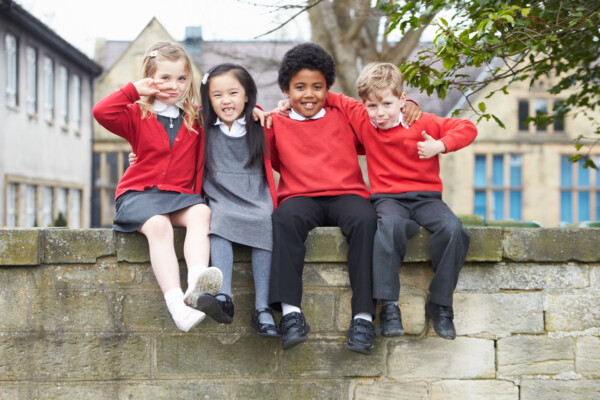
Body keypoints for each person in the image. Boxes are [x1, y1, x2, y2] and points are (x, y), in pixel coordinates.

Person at [266, 43, 421, 355]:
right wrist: (264, 112)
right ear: (286, 90)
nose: (308, 94)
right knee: (283, 218)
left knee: (366, 220)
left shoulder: (345, 115)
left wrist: (410, 104)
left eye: (317, 87)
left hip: (346, 194)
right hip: (300, 196)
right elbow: (271, 160)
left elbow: (383, 116)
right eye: (299, 87)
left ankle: (363, 317)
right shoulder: (275, 122)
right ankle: (291, 313)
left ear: (328, 88)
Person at [324, 62, 478, 340]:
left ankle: (441, 304)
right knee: (389, 226)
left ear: (402, 100)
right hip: (388, 198)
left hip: (426, 198)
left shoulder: (423, 122)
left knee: (454, 230)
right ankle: (390, 306)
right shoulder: (362, 118)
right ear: (364, 104)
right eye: (372, 106)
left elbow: (467, 127)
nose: (380, 113)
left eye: (387, 104)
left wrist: (439, 145)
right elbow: (328, 96)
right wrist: (287, 103)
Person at [92, 42, 222, 332]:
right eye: (164, 77)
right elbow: (101, 111)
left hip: (178, 197)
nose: (174, 85)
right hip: (138, 195)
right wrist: (134, 90)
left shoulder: (196, 117)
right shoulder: (136, 114)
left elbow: (231, 108)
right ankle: (177, 305)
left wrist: (261, 112)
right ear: (149, 78)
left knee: (201, 212)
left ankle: (197, 282)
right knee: (159, 227)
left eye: (181, 78)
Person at [192, 63, 281, 338]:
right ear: (207, 99)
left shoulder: (261, 124)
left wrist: (267, 108)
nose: (226, 100)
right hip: (220, 191)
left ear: (247, 95)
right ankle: (223, 297)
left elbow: (294, 115)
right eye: (217, 95)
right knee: (219, 220)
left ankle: (262, 308)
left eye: (233, 93)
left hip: (254, 192)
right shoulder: (200, 124)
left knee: (266, 221)